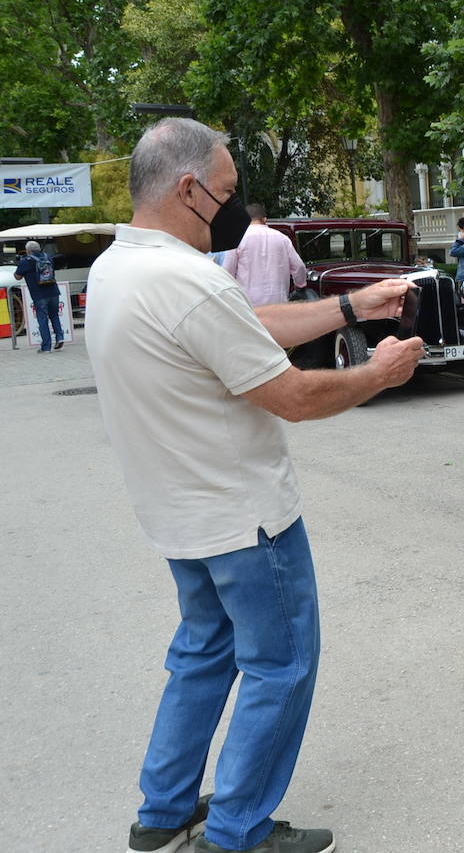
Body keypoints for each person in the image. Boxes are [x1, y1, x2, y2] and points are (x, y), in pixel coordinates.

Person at [86, 118, 423, 853]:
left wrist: (350, 306)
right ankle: (237, 830)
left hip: (179, 517)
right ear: (188, 189)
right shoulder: (186, 279)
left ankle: (164, 809)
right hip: (246, 521)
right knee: (281, 666)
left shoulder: (121, 267)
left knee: (202, 652)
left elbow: (240, 322)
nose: (236, 206)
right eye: (228, 190)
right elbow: (295, 398)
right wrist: (379, 373)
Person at [221, 203, 307, 306]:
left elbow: (227, 271)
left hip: (249, 303)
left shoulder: (237, 239)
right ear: (264, 219)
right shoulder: (283, 239)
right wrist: (300, 284)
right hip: (278, 301)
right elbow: (298, 266)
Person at [13, 240, 64, 353]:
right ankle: (60, 338)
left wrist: (19, 264)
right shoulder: (48, 257)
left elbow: (17, 276)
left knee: (42, 319)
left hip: (39, 295)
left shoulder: (25, 261)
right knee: (54, 316)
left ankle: (46, 347)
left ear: (28, 250)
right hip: (53, 291)